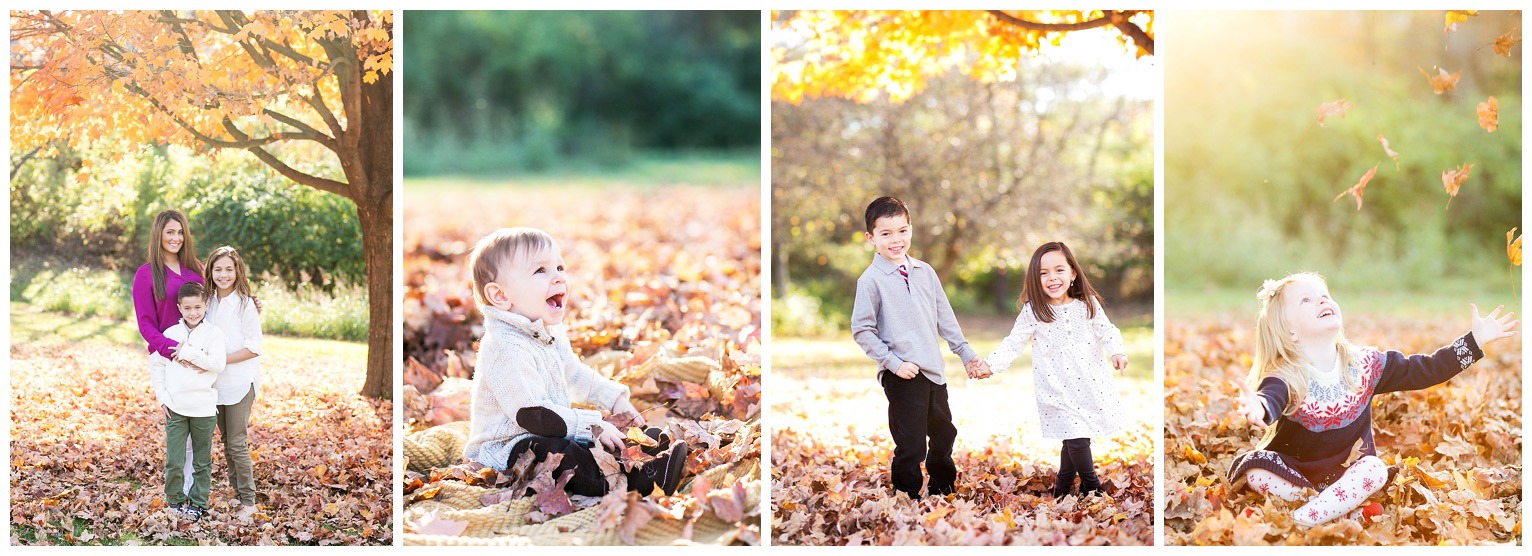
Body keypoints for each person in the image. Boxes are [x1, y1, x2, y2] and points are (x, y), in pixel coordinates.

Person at [1229, 272, 1518, 527]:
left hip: (1346, 475)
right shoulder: (1286, 375)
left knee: (1374, 470)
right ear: (1289, 331)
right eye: (1306, 300)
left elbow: (1424, 370)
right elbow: (1270, 398)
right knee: (1256, 469)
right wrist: (1259, 407)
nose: (1321, 301)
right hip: (1293, 473)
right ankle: (1333, 511)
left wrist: (1474, 341)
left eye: (1324, 296)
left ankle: (1303, 519)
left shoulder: (1366, 365)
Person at [461, 227, 690, 496]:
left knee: (590, 439)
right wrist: (591, 425)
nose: (558, 278)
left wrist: (614, 400)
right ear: (500, 296)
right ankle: (636, 483)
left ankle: (645, 455)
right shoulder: (505, 348)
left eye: (560, 267)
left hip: (549, 429)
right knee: (559, 452)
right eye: (540, 271)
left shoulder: (545, 330)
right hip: (507, 451)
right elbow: (532, 415)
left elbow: (574, 374)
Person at [851, 196, 988, 499]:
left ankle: (943, 490)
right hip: (902, 374)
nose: (896, 239)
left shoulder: (925, 272)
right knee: (910, 443)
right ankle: (907, 494)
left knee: (943, 434)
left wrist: (965, 353)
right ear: (870, 238)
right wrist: (892, 362)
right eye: (886, 234)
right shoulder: (871, 280)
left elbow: (945, 318)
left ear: (911, 229)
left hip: (934, 370)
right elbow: (862, 329)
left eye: (902, 231)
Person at [981, 241, 1129, 498]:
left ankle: (1062, 488)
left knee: (1075, 438)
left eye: (1059, 270)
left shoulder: (1088, 305)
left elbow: (1107, 331)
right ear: (1034, 280)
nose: (1052, 278)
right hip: (1057, 388)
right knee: (1077, 439)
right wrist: (990, 365)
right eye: (1043, 273)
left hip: (1089, 384)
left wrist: (1117, 352)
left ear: (1072, 274)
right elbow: (1013, 343)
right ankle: (1092, 488)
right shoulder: (1034, 311)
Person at [131, 209, 204, 500]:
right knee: (177, 426)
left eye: (179, 232)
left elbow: (216, 301)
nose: (175, 238)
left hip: (198, 356)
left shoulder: (195, 268)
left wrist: (248, 303)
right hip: (167, 357)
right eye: (169, 232)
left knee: (197, 424)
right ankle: (178, 491)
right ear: (159, 235)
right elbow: (145, 323)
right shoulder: (146, 274)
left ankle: (191, 487)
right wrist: (172, 351)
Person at [148, 282, 227, 520]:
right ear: (179, 308)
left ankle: (198, 502)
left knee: (201, 461)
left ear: (205, 306)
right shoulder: (170, 334)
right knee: (174, 459)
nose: (193, 312)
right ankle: (174, 501)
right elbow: (157, 366)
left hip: (204, 408)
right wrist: (162, 397)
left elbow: (217, 365)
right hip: (176, 407)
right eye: (188, 308)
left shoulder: (214, 334)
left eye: (198, 307)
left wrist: (187, 351)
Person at [204, 246, 263, 517]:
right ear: (211, 272)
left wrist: (221, 360)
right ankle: (237, 494)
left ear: (237, 271)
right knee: (227, 440)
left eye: (229, 269)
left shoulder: (245, 304)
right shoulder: (208, 301)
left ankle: (249, 502)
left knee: (237, 441)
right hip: (216, 383)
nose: (224, 274)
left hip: (240, 381)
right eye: (218, 269)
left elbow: (253, 347)